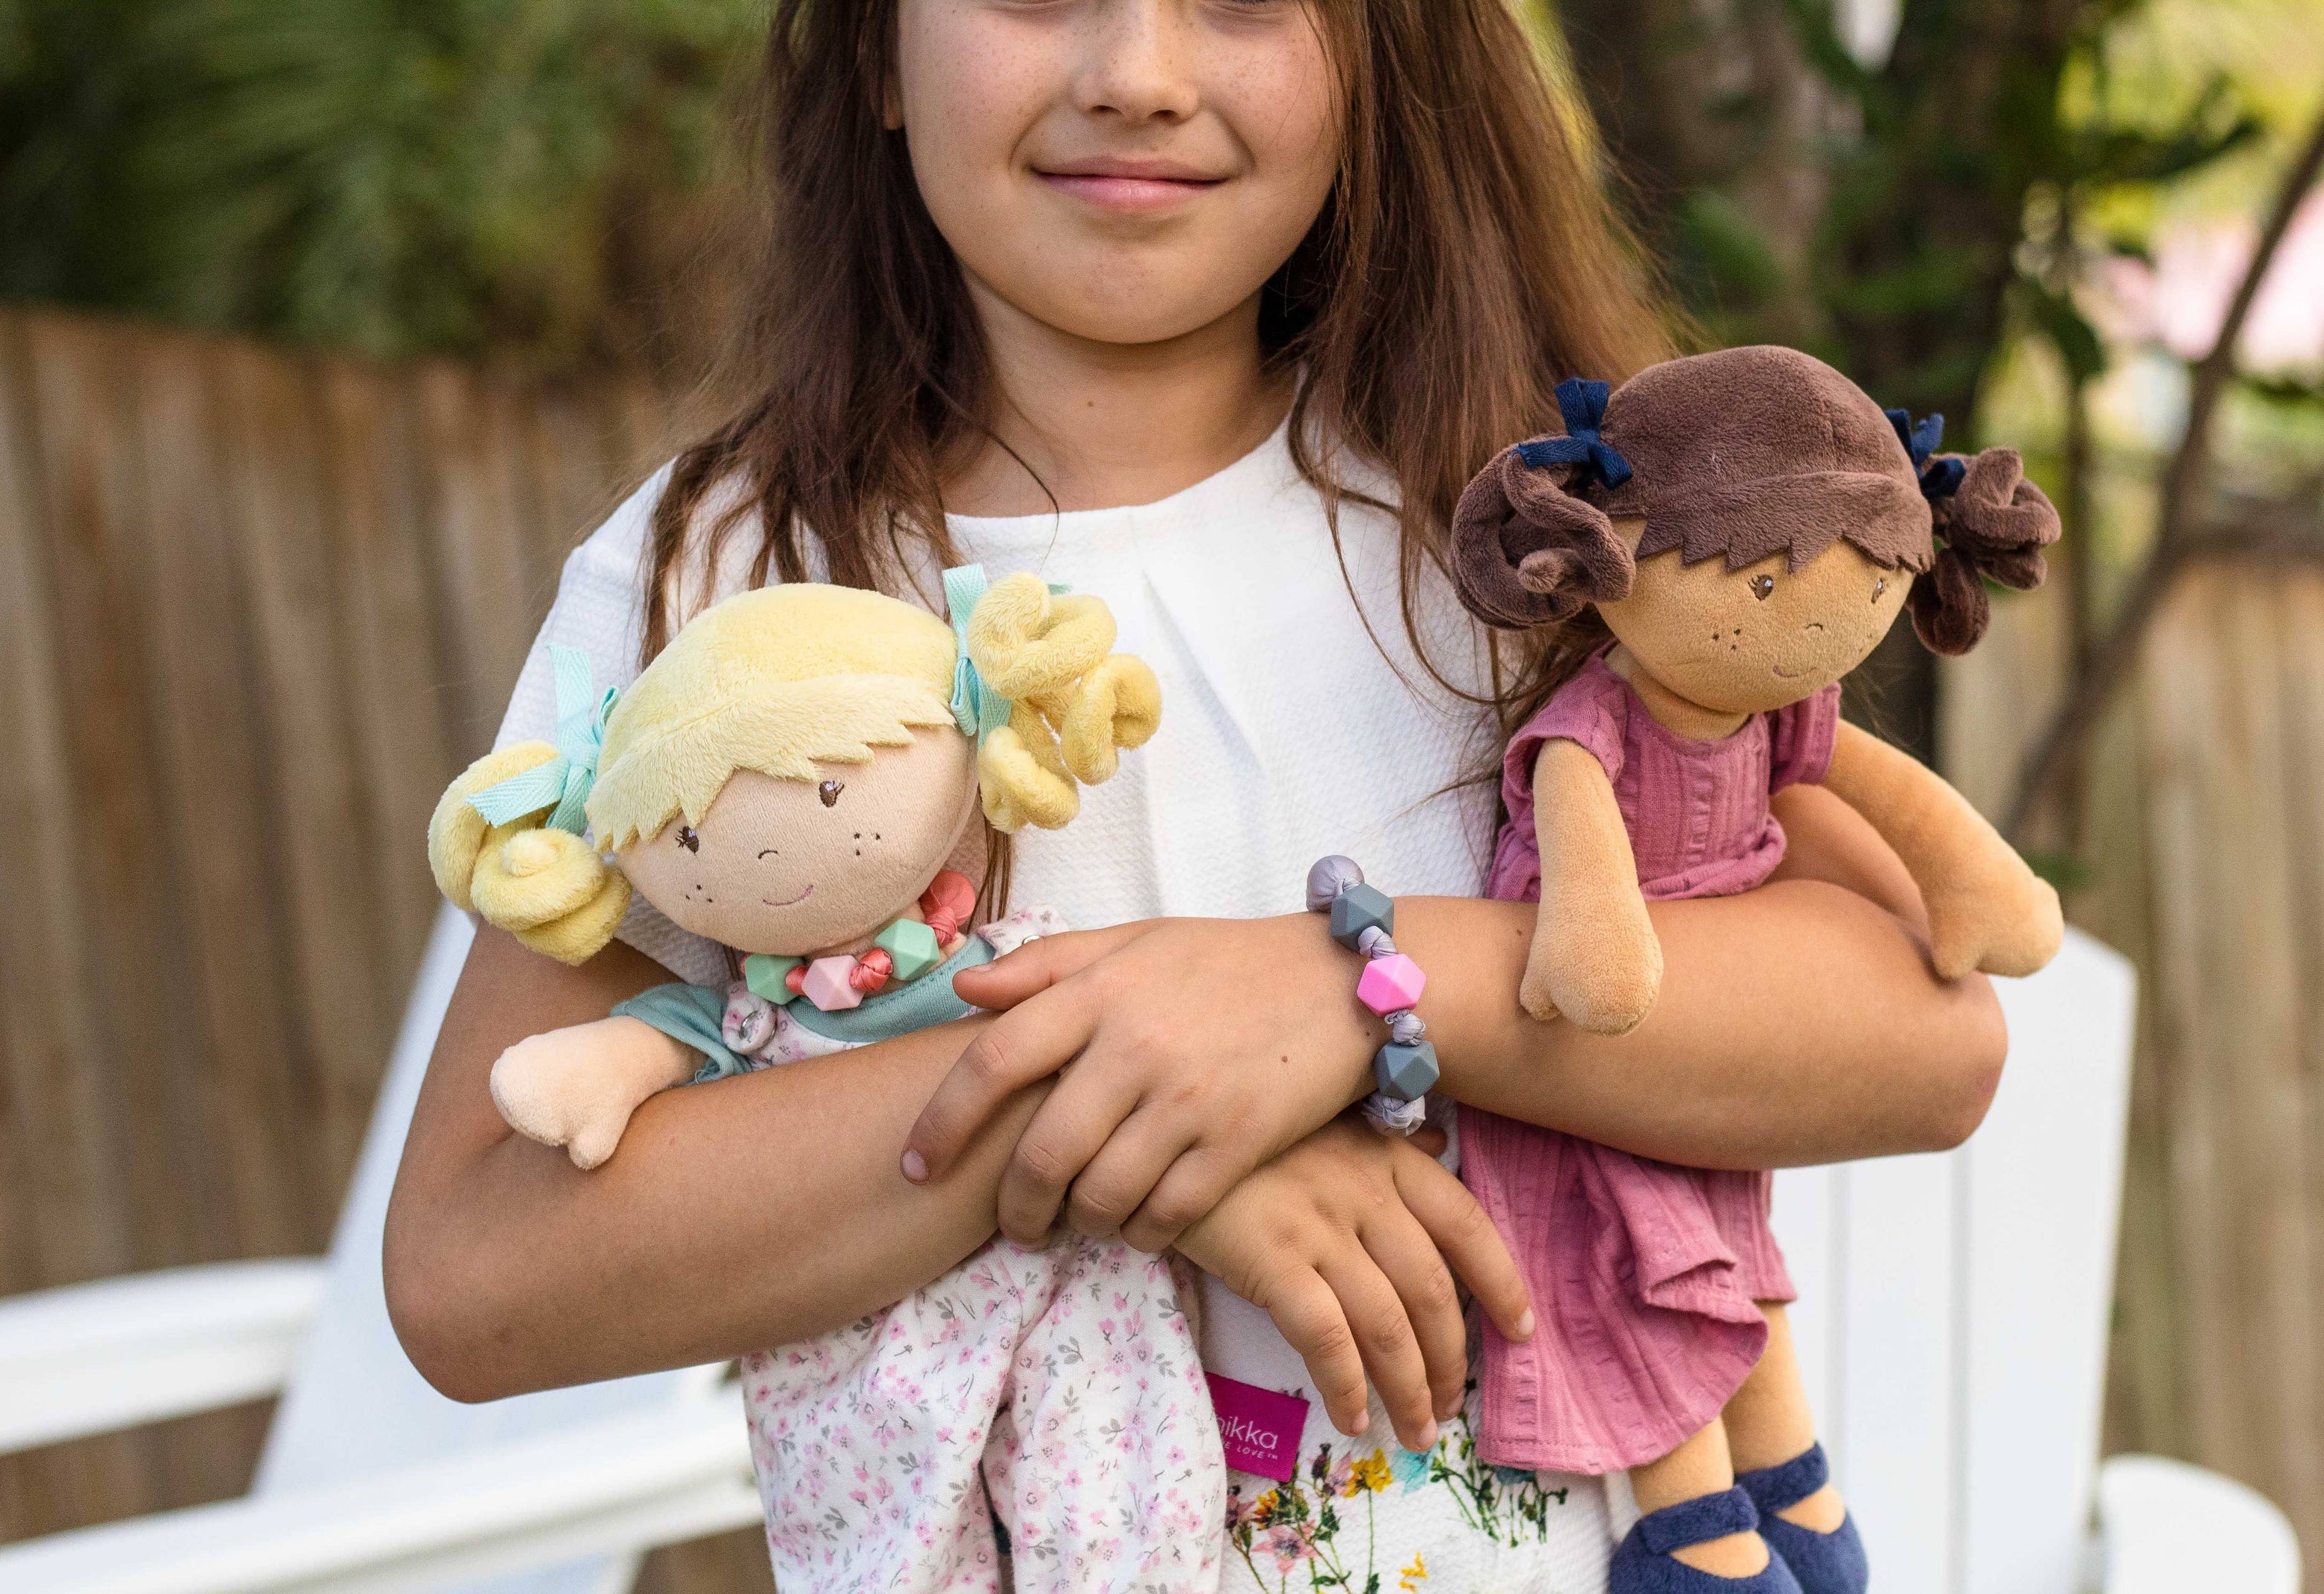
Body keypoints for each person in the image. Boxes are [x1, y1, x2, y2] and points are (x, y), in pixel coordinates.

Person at [384, 2, 2009, 1589]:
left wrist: (1351, 989)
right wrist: (1104, 1110)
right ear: (876, 45)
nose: (1138, 72)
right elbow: (477, 1270)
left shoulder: (1554, 523)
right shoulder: (724, 578)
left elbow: (1928, 1042)